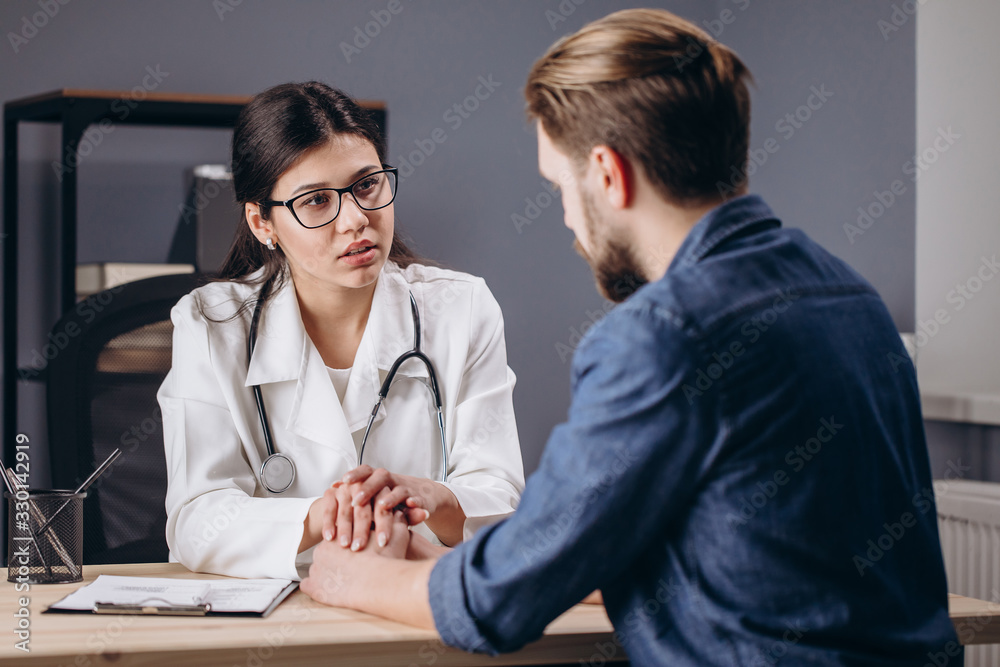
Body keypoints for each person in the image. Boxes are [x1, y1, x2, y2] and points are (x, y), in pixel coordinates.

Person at [300, 9, 961, 665]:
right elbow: (716, 551)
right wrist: (444, 556)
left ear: (609, 175)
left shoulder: (663, 335)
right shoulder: (849, 297)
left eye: (561, 186)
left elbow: (495, 607)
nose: (565, 218)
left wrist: (346, 574)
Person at [158, 82, 524, 580]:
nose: (355, 219)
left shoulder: (461, 309)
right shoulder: (209, 324)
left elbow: (502, 500)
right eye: (315, 201)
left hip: (416, 603)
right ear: (262, 223)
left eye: (367, 184)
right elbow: (195, 519)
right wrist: (319, 515)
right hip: (282, 618)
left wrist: (433, 497)